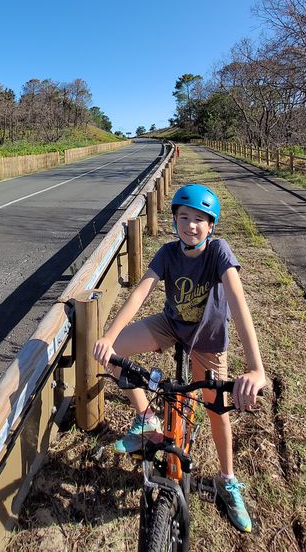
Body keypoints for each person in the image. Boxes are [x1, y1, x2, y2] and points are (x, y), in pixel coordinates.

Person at [92, 183, 267, 534]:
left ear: (211, 225)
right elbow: (141, 292)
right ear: (174, 221)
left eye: (200, 219)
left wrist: (255, 368)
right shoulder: (168, 253)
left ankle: (227, 480)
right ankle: (148, 419)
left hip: (208, 338)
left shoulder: (219, 252)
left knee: (216, 409)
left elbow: (238, 302)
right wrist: (109, 337)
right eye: (184, 217)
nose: (191, 225)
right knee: (112, 356)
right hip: (171, 325)